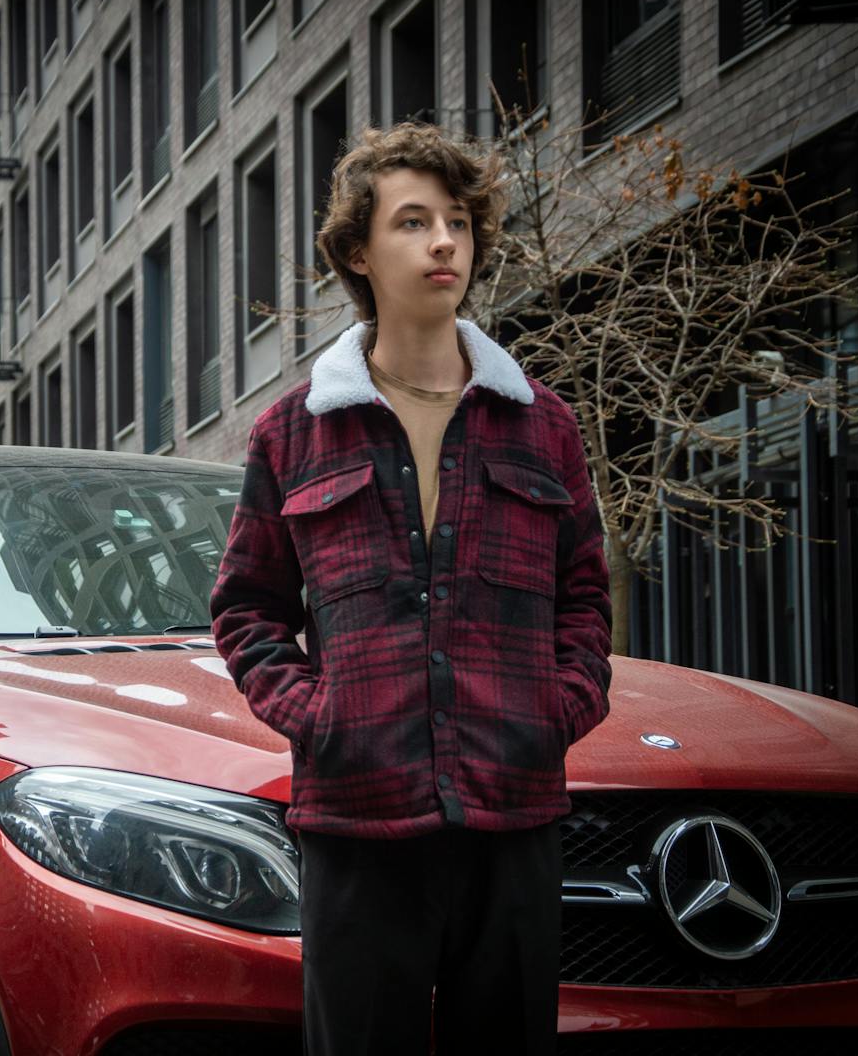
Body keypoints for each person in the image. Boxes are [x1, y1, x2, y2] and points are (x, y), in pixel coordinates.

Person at [208, 120, 612, 1055]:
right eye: (415, 222)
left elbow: (584, 594)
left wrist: (558, 705)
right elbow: (247, 607)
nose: (445, 244)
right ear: (358, 249)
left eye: (461, 224)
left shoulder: (542, 425)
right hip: (359, 811)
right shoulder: (293, 434)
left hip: (514, 808)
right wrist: (320, 714)